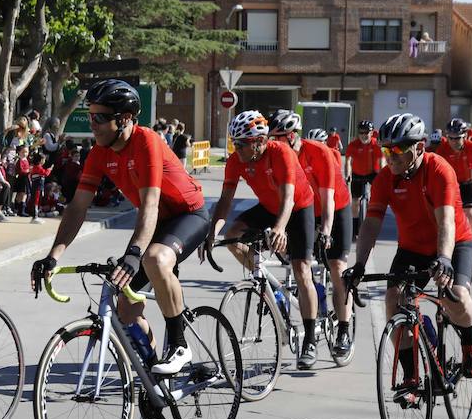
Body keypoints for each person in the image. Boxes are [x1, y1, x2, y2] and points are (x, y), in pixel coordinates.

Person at [32, 79, 213, 389]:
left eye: (100, 117)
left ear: (125, 118)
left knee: (154, 258)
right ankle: (154, 376)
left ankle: (180, 345)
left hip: (188, 215)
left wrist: (133, 254)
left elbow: (150, 205)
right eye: (90, 116)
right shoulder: (99, 152)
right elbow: (77, 208)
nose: (93, 124)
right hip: (155, 223)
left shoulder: (148, 142)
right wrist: (52, 256)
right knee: (125, 307)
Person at [345, 113, 472, 394]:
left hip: (454, 243)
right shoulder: (386, 177)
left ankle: (470, 343)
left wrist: (444, 260)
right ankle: (411, 377)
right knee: (394, 300)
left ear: (419, 148)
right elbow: (371, 223)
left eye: (397, 150)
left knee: (456, 296)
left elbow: (446, 221)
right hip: (412, 248)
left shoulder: (439, 170)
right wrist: (358, 263)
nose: (390, 157)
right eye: (386, 150)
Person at [205, 110, 322, 369]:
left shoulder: (281, 153)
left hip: (299, 207)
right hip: (269, 207)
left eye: (241, 144)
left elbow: (289, 197)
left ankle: (310, 339)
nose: (237, 149)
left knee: (302, 270)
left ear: (259, 141)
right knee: (232, 234)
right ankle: (268, 287)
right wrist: (213, 231)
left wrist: (280, 229)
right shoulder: (236, 160)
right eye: (234, 143)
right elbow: (225, 200)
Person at [272, 113, 355, 358]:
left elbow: (328, 198)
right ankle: (313, 308)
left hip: (335, 209)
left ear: (291, 136)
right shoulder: (278, 157)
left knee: (337, 267)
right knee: (299, 267)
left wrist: (326, 232)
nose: (272, 144)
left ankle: (343, 329)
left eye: (277, 139)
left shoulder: (319, 153)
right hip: (304, 211)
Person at [433, 119, 472, 252]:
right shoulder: (442, 149)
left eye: (457, 139)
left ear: (465, 136)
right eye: (450, 138)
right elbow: (437, 175)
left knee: (471, 216)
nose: (453, 142)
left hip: (468, 184)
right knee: (445, 217)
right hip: (452, 185)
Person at [345, 120, 383, 233]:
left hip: (373, 173)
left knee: (375, 198)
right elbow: (348, 162)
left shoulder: (376, 144)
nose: (363, 135)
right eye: (361, 132)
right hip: (357, 173)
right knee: (355, 201)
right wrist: (347, 175)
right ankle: (355, 227)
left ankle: (372, 221)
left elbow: (382, 162)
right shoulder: (353, 145)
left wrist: (382, 176)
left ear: (371, 133)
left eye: (366, 132)